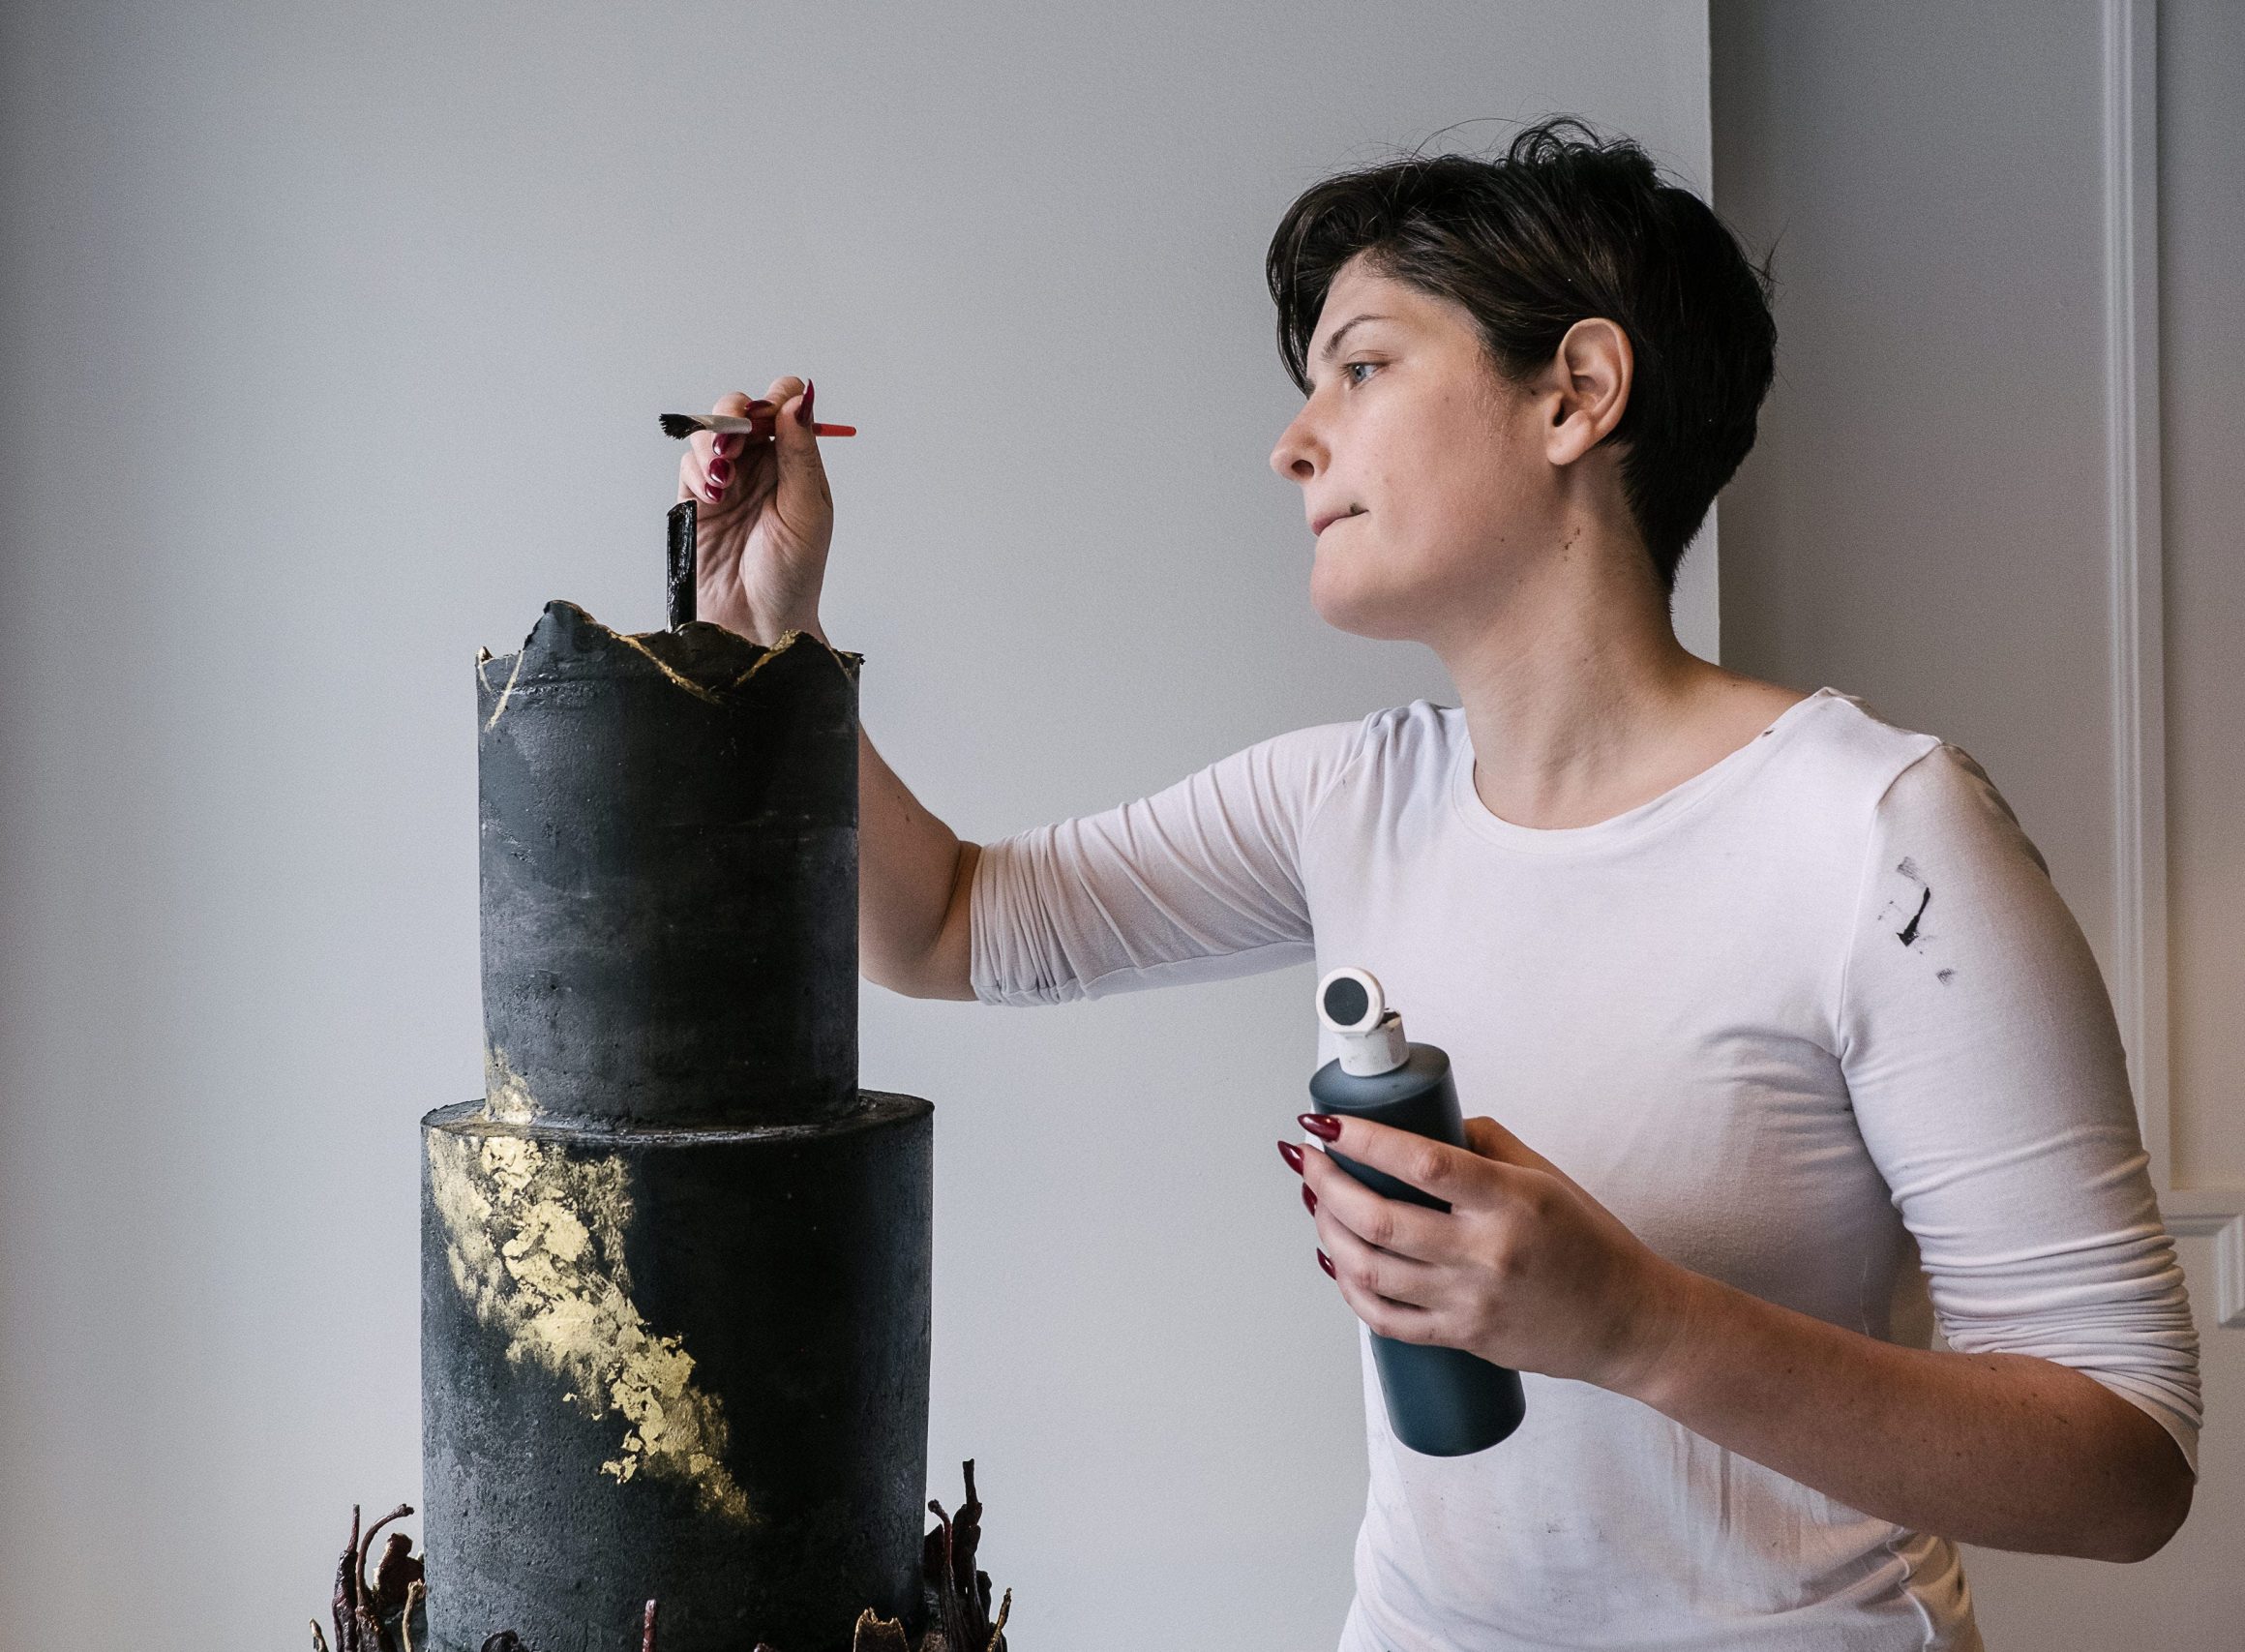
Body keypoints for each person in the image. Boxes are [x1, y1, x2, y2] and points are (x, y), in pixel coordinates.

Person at [674, 119, 2200, 1652]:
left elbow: (2126, 1468)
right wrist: (768, 640)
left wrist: (1634, 1324)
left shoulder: (1882, 837)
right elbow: (940, 928)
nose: (1294, 440)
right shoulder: (1348, 798)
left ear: (1576, 393)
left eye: (1364, 366)